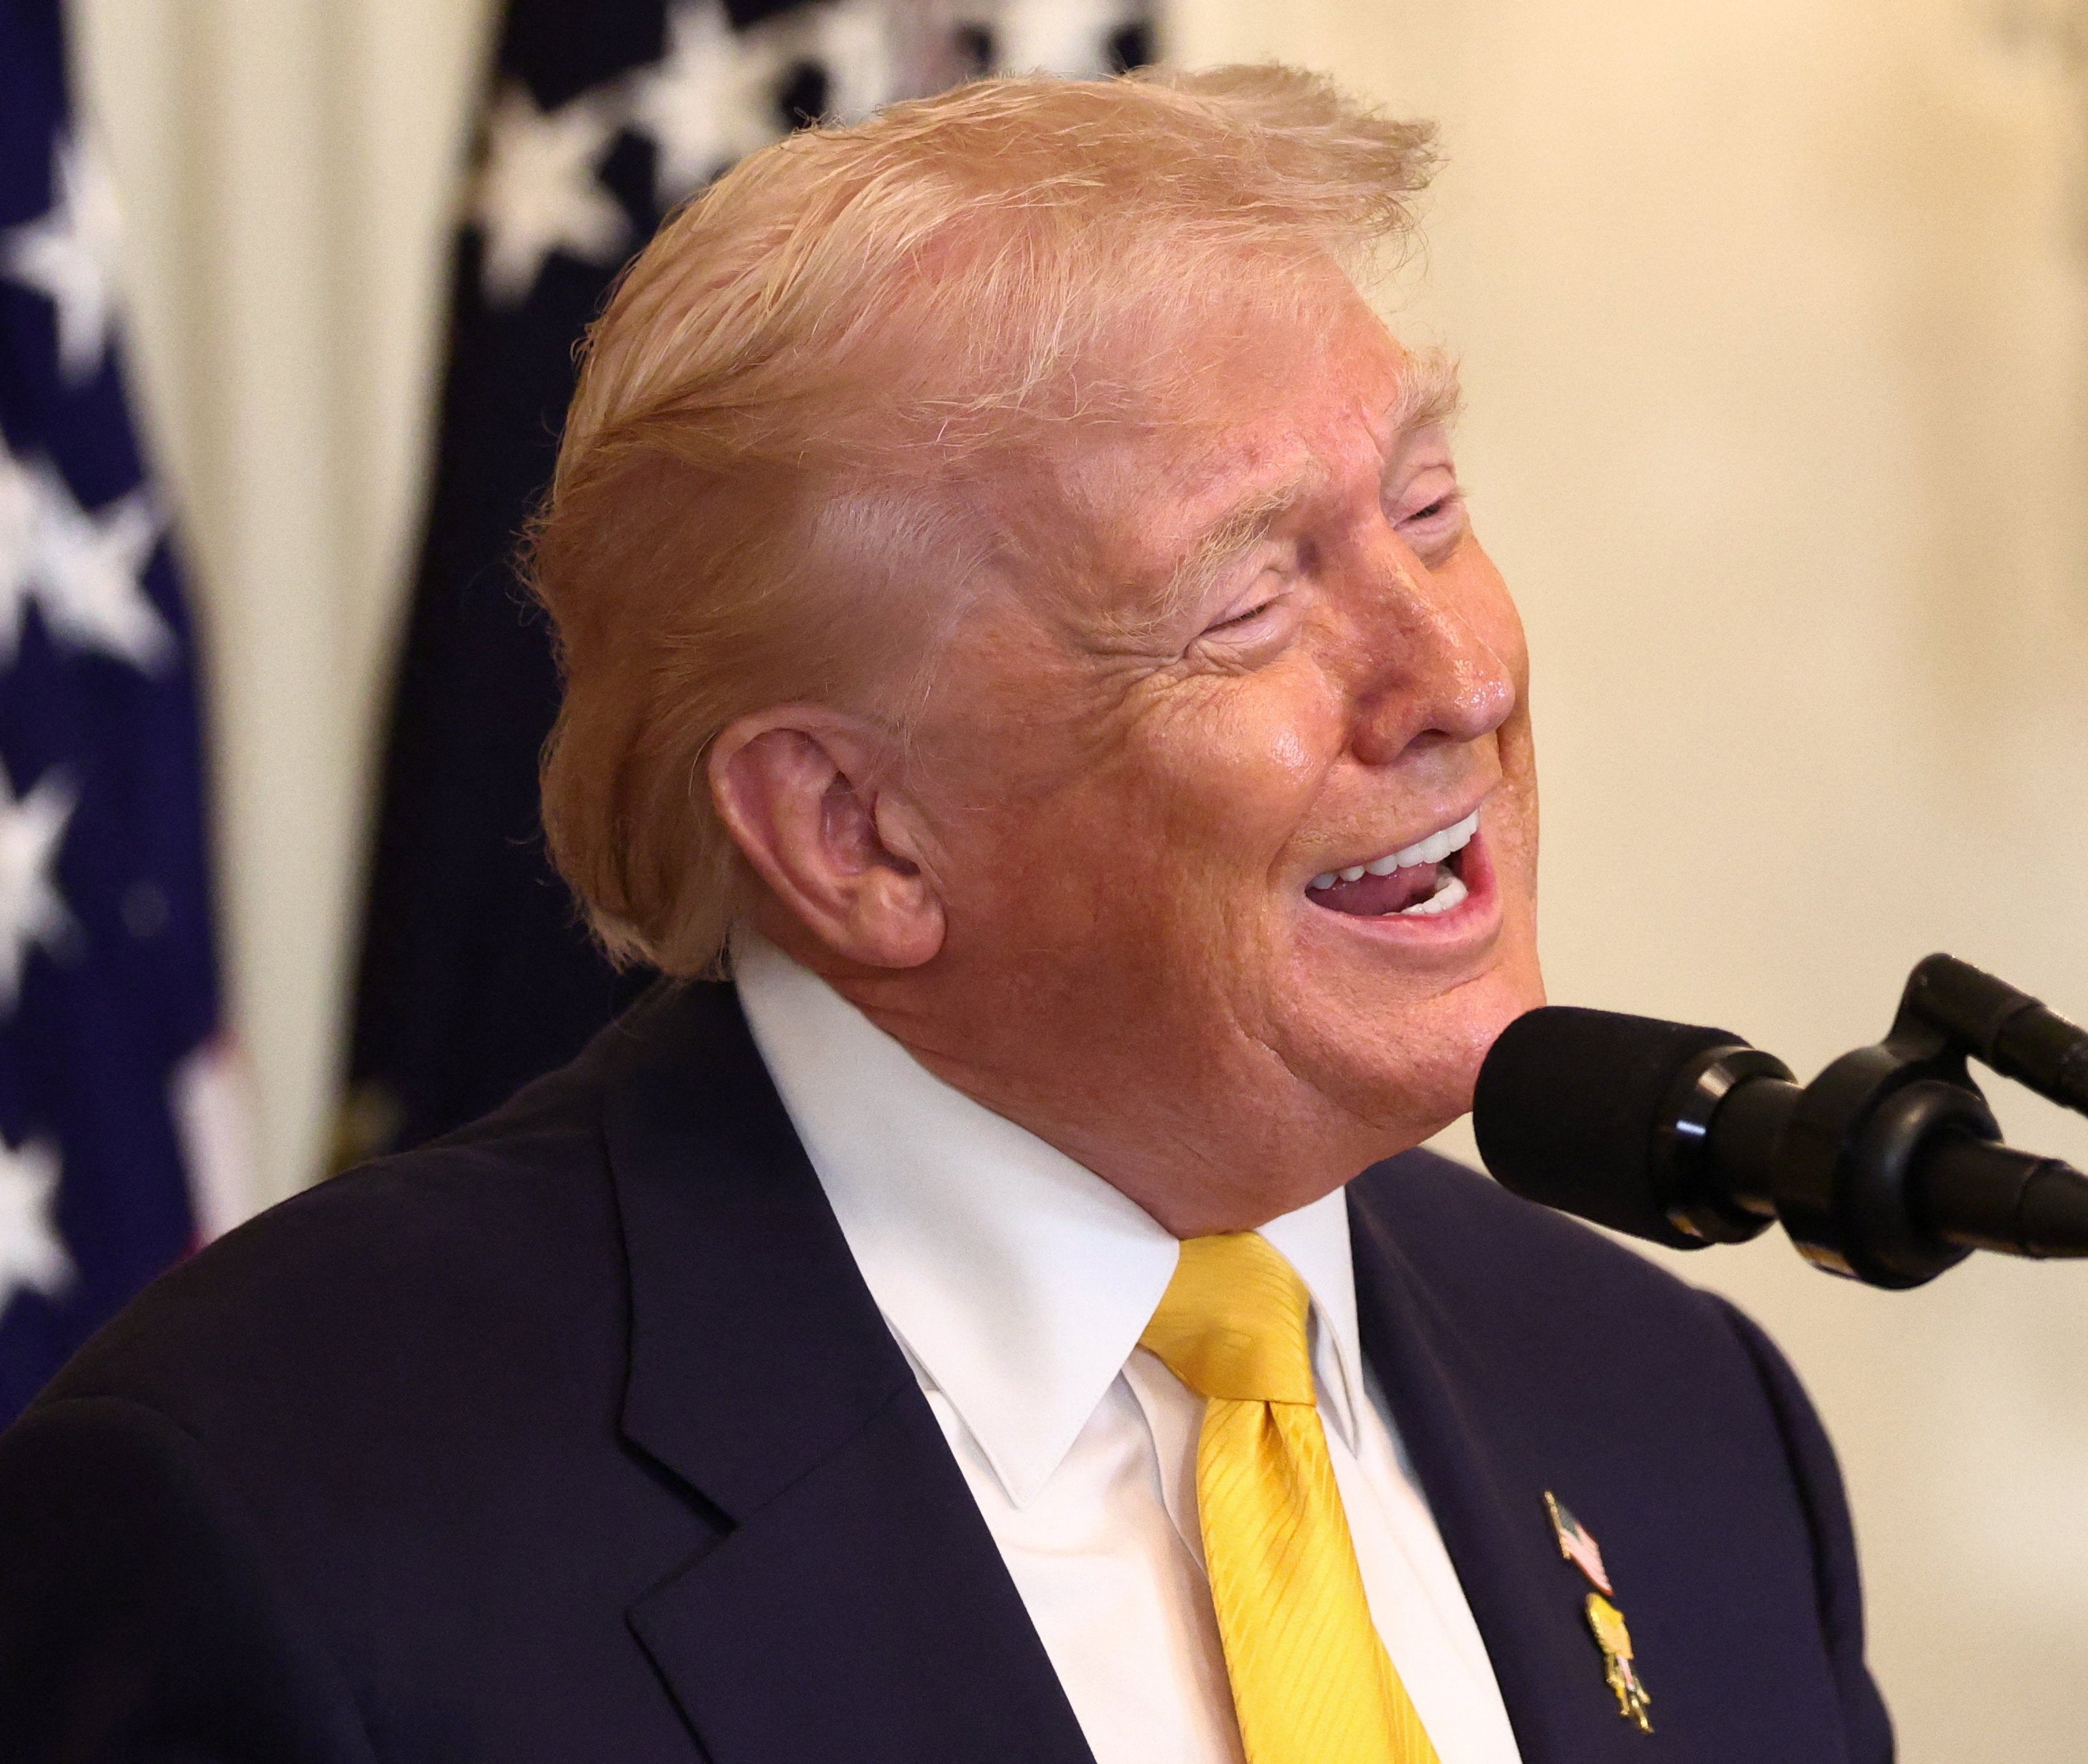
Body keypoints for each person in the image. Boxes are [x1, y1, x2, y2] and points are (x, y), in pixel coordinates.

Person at [0, 67, 1892, 1763]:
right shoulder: (295, 1522)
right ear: (856, 835)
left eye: (1425, 509)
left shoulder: (1680, 1419)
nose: (1450, 676)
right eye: (1247, 605)